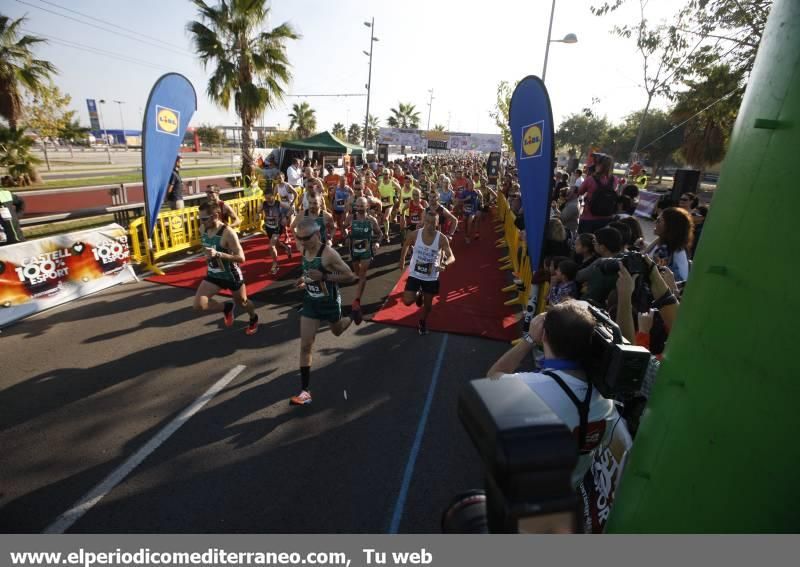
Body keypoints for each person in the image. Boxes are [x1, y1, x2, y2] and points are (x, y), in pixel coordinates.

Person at [487, 300, 631, 488]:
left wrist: (529, 339)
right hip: (567, 495)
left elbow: (492, 377)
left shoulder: (531, 387)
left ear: (544, 335)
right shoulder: (607, 402)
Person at [291, 217, 359, 406]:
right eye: (300, 238)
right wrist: (303, 279)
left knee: (337, 331)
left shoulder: (329, 254)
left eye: (306, 238)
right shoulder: (302, 248)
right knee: (305, 345)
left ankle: (353, 315)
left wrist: (325, 276)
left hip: (329, 303)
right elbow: (308, 270)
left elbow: (350, 275)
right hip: (311, 302)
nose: (303, 242)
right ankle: (305, 392)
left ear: (318, 234)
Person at [193, 201, 258, 335]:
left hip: (231, 275)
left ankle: (253, 318)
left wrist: (219, 254)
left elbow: (242, 258)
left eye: (204, 219)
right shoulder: (202, 228)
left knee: (243, 303)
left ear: (215, 216)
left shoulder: (228, 233)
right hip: (214, 274)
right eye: (199, 219)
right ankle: (226, 307)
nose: (201, 222)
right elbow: (207, 246)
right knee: (199, 304)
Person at [399, 208, 456, 335]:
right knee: (407, 301)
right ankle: (418, 294)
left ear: (437, 223)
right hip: (415, 273)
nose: (430, 225)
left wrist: (445, 264)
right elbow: (406, 244)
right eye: (427, 222)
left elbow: (452, 256)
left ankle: (422, 322)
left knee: (428, 306)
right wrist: (402, 259)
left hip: (431, 276)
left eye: (432, 223)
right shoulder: (415, 234)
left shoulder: (441, 239)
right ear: (424, 221)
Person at [347, 196, 383, 323]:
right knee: (357, 273)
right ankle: (359, 289)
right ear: (355, 206)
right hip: (354, 251)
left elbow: (380, 234)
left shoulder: (371, 220)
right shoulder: (351, 218)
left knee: (362, 274)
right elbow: (343, 227)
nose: (360, 208)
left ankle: (357, 301)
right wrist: (346, 233)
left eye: (363, 206)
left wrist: (377, 243)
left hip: (366, 251)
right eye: (358, 206)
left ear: (367, 206)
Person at [576, 226, 624, 306]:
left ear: (602, 247)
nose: (592, 243)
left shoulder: (601, 265)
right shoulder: (625, 259)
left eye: (594, 242)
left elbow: (578, 277)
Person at [647, 207, 694, 281]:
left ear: (670, 226)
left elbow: (649, 275)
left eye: (659, 220)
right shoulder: (676, 246)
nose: (655, 222)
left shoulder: (665, 251)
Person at [577, 153, 616, 233]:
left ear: (599, 165)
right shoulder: (614, 180)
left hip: (589, 217)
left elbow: (580, 192)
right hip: (606, 217)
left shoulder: (591, 179)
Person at [261, 191, 291, 275]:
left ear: (273, 196)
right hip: (268, 227)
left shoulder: (279, 204)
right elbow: (258, 211)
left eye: (269, 198)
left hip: (277, 227)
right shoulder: (264, 204)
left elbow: (291, 209)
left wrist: (286, 217)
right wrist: (257, 214)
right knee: (277, 243)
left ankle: (275, 265)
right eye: (266, 198)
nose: (268, 200)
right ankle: (287, 247)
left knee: (271, 246)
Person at [377, 169, 401, 242]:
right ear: (382, 175)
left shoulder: (392, 182)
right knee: (380, 220)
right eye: (384, 174)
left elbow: (400, 189)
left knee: (386, 218)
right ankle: (381, 233)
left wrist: (396, 197)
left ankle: (386, 234)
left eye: (387, 174)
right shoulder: (379, 182)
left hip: (390, 204)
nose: (385, 176)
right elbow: (376, 190)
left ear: (389, 175)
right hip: (381, 204)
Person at [331, 176, 353, 247]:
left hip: (344, 209)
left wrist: (349, 201)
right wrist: (332, 204)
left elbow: (353, 194)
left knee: (343, 223)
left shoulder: (348, 188)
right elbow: (331, 195)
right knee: (339, 224)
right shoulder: (336, 187)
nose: (342, 182)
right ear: (339, 181)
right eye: (341, 181)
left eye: (344, 181)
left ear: (346, 181)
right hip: (336, 208)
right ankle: (344, 237)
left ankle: (345, 238)